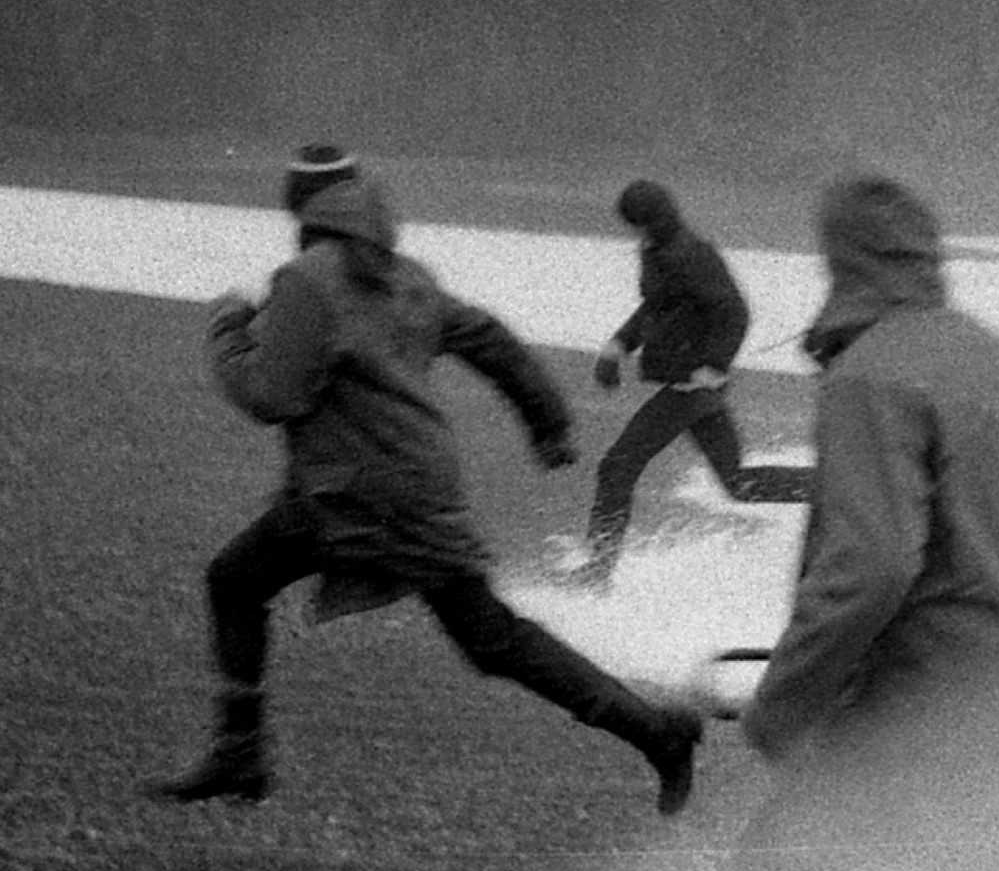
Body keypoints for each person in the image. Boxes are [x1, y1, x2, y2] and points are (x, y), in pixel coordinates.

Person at [150, 145, 705, 814]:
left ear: (298, 205)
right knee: (489, 639)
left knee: (238, 581)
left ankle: (240, 752)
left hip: (354, 495)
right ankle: (656, 733)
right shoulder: (407, 275)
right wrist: (547, 422)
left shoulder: (305, 279)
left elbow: (272, 396)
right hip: (415, 485)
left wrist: (228, 328)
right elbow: (489, 338)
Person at [732, 173, 999, 871]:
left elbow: (872, 566)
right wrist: (990, 609)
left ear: (842, 261)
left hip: (916, 706)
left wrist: (782, 703)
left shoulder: (868, 376)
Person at [582, 178, 810, 575]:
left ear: (646, 220)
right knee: (739, 483)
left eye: (635, 224)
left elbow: (734, 311)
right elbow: (656, 307)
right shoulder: (655, 249)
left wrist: (714, 367)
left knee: (618, 466)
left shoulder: (691, 254)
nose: (633, 233)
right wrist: (619, 345)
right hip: (686, 383)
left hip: (691, 386)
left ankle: (598, 571)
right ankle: (840, 487)